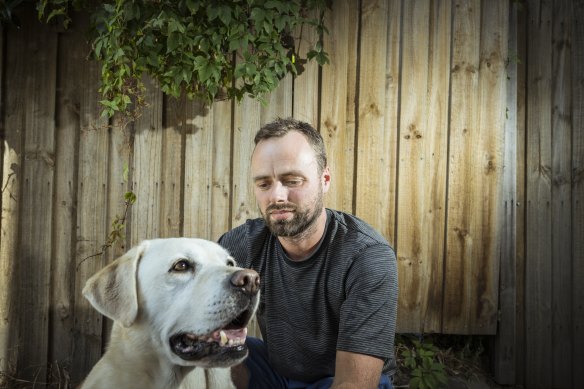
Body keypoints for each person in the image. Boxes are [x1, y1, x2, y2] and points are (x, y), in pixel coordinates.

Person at [218, 117, 398, 389]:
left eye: (292, 180)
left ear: (324, 179)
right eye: (264, 184)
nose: (277, 196)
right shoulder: (242, 243)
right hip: (278, 372)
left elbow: (354, 385)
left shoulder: (366, 257)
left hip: (338, 379)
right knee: (212, 356)